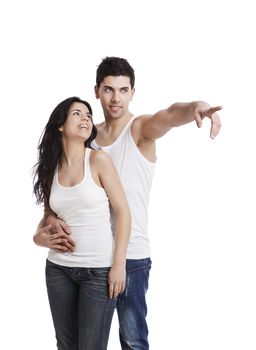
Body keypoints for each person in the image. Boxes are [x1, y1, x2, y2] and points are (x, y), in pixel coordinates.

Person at [35, 57, 222, 350]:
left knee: (133, 340)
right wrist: (42, 231)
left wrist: (196, 107)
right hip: (91, 256)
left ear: (133, 92)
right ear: (97, 91)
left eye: (124, 90)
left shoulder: (140, 129)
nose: (116, 98)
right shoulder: (87, 136)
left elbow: (170, 114)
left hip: (130, 257)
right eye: (109, 89)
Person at [33, 96, 131, 350]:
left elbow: (123, 212)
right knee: (66, 344)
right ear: (60, 125)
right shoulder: (50, 168)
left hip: (97, 272)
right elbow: (48, 215)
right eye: (77, 113)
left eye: (88, 114)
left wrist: (119, 265)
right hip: (58, 269)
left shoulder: (98, 161)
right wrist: (38, 237)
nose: (85, 117)